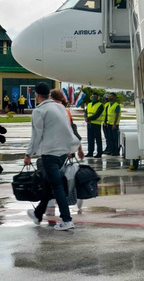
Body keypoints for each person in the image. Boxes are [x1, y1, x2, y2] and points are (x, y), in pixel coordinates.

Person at [25, 82, 79, 231]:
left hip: (49, 154)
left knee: (57, 187)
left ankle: (67, 219)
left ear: (36, 95)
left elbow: (36, 135)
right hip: (62, 153)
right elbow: (68, 130)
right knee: (50, 185)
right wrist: (70, 148)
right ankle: (38, 213)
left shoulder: (39, 111)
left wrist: (28, 154)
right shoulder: (60, 107)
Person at [50, 89, 85, 160]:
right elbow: (74, 131)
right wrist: (79, 149)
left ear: (51, 98)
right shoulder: (66, 110)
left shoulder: (51, 110)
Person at [84, 92, 105, 157]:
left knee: (98, 139)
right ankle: (90, 152)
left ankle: (99, 153)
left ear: (98, 98)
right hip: (89, 124)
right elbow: (86, 112)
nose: (93, 98)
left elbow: (97, 114)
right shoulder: (89, 104)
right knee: (90, 139)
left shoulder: (100, 105)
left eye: (95, 97)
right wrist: (85, 117)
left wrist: (89, 118)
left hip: (96, 124)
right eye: (92, 97)